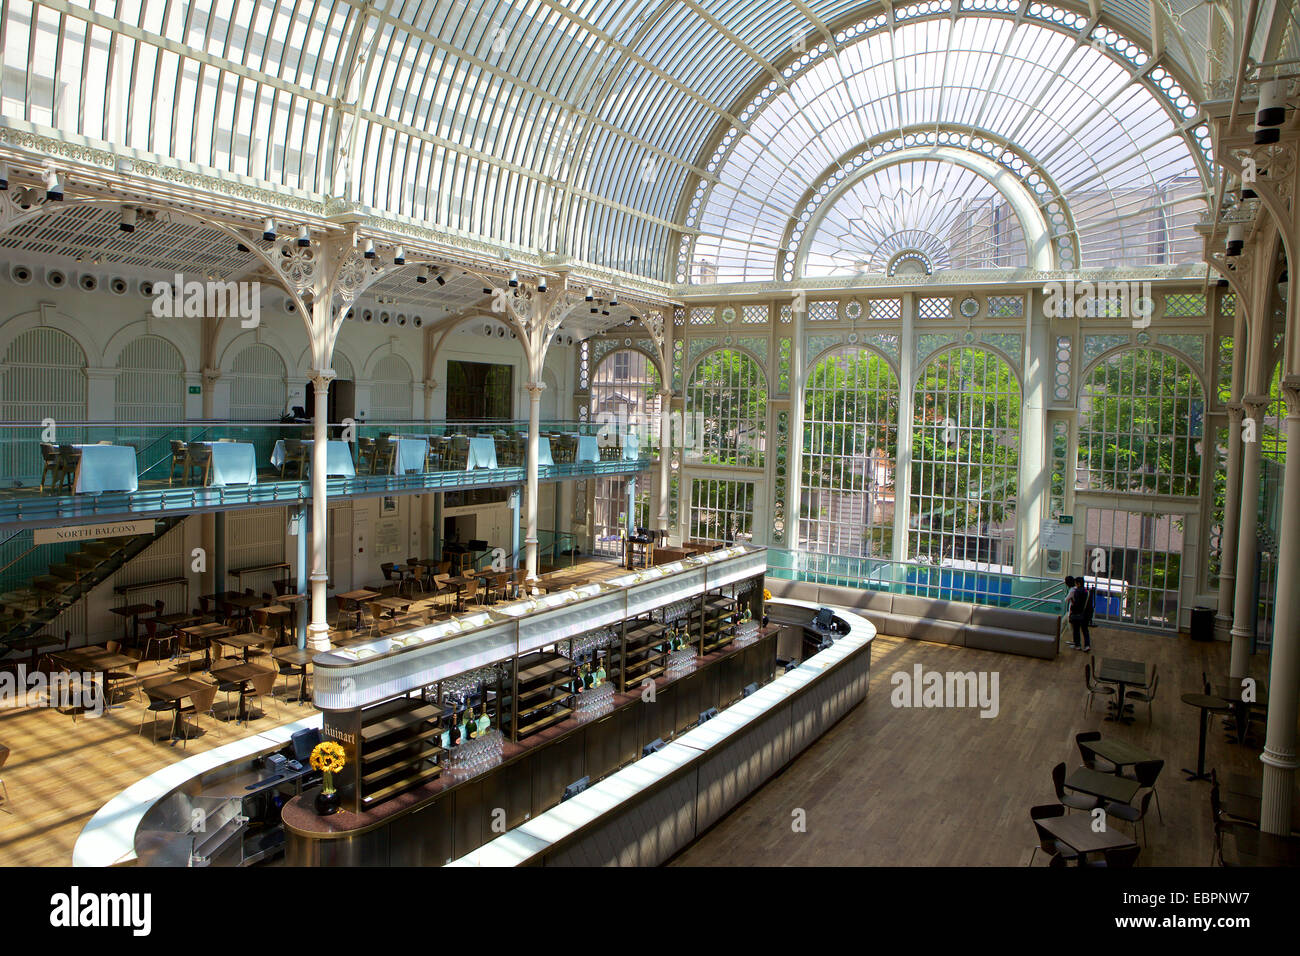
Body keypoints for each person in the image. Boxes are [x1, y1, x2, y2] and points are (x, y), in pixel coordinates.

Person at [1068, 576, 1093, 651]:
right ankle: (1087, 645)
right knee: (1085, 630)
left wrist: (1072, 609)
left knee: (1076, 629)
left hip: (1078, 614)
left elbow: (1076, 604)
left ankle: (1077, 645)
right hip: (1086, 614)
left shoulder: (1077, 592)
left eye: (1076, 583)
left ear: (1078, 584)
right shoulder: (1087, 591)